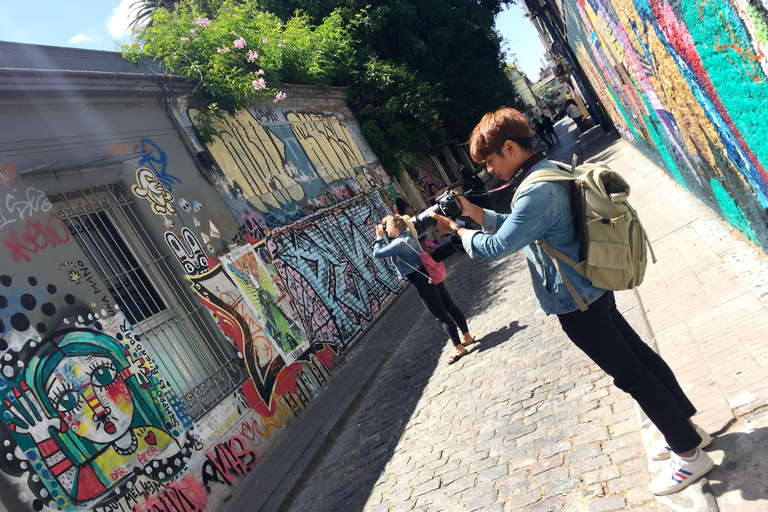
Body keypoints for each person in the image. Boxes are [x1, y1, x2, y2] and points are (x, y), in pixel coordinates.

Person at [429, 107, 714, 496]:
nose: (490, 170)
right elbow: (522, 227)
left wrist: (459, 232)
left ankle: (689, 454)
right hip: (592, 288)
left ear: (509, 147)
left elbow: (497, 246)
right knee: (641, 358)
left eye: (491, 160)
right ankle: (686, 428)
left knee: (632, 375)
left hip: (575, 303)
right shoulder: (548, 170)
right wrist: (474, 213)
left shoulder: (534, 190)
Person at [372, 214, 475, 364]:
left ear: (394, 228)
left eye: (387, 228)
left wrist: (378, 237)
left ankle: (458, 347)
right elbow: (401, 223)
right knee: (449, 305)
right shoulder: (410, 234)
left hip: (421, 279)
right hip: (429, 273)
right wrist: (388, 220)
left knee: (441, 315)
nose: (386, 231)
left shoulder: (399, 243)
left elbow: (377, 253)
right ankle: (467, 336)